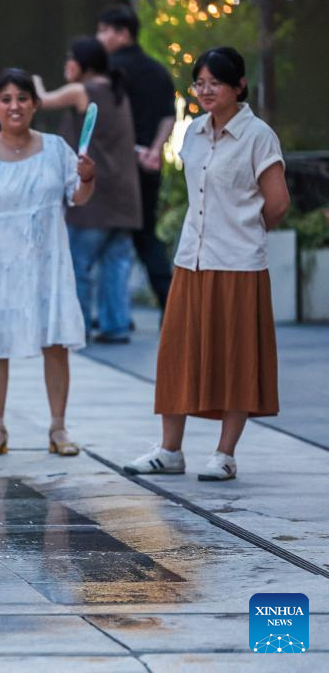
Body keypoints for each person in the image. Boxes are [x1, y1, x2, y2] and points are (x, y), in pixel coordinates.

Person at [124, 47, 289, 482]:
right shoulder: (193, 133)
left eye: (216, 82)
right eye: (200, 83)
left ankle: (224, 454)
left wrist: (244, 230)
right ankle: (169, 451)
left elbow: (277, 203)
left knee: (236, 358)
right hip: (191, 260)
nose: (206, 90)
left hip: (238, 264)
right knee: (177, 354)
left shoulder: (258, 135)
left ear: (239, 85)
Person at [0, 69, 96, 457]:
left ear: (35, 104)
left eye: (22, 98)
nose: (14, 106)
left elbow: (77, 197)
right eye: (6, 99)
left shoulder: (57, 149)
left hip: (49, 262)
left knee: (55, 342)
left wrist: (87, 179)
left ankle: (59, 428)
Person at [34, 37, 142, 344]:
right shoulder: (117, 91)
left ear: (85, 64)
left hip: (94, 198)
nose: (67, 64)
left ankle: (77, 327)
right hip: (123, 196)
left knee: (78, 265)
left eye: (71, 58)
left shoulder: (83, 90)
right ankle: (116, 326)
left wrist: (34, 80)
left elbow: (41, 99)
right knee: (115, 264)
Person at [97, 4, 175, 323]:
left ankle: (114, 317)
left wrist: (133, 152)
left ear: (123, 33)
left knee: (106, 243)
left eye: (104, 30)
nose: (100, 37)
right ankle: (171, 307)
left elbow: (107, 125)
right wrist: (154, 151)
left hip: (115, 170)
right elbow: (169, 116)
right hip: (149, 167)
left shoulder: (108, 72)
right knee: (146, 237)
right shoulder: (158, 70)